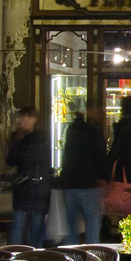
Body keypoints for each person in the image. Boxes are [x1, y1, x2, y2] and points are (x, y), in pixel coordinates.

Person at [56, 101, 108, 245]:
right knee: (92, 222)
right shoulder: (93, 131)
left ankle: (71, 256)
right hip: (88, 184)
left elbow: (66, 156)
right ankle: (92, 255)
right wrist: (106, 177)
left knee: (70, 224)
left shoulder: (72, 129)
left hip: (70, 184)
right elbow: (100, 157)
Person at [2, 107, 51, 247]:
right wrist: (17, 140)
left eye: (28, 117)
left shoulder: (42, 137)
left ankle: (35, 255)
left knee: (37, 226)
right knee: (18, 224)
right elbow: (10, 161)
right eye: (22, 117)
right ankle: (15, 254)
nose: (24, 120)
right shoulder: (16, 138)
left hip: (39, 187)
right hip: (22, 186)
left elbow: (46, 162)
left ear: (35, 119)